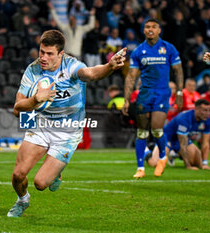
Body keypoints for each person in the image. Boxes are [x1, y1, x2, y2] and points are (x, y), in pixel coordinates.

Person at [7, 30, 126, 217]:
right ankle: (22, 200)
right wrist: (36, 99)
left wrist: (109, 67)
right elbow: (17, 108)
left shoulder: (72, 66)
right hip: (41, 124)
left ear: (61, 54)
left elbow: (91, 73)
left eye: (49, 54)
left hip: (68, 131)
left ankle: (57, 170)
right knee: (18, 174)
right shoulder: (33, 70)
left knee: (40, 183)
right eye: (41, 52)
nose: (43, 57)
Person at [122, 19, 184, 179]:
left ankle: (162, 158)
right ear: (144, 31)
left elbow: (178, 71)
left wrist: (179, 93)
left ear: (159, 30)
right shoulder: (138, 51)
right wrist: (127, 99)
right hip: (145, 94)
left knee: (157, 129)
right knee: (141, 132)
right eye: (147, 27)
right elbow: (131, 76)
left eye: (153, 27)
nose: (150, 29)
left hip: (162, 93)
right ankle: (140, 168)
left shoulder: (168, 48)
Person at [145, 99, 210, 170]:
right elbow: (182, 144)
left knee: (197, 163)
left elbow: (205, 143)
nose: (207, 113)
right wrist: (188, 165)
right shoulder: (184, 119)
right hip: (167, 138)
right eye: (205, 110)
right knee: (154, 163)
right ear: (197, 109)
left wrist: (204, 163)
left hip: (179, 140)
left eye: (208, 110)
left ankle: (174, 154)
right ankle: (146, 150)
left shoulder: (206, 121)